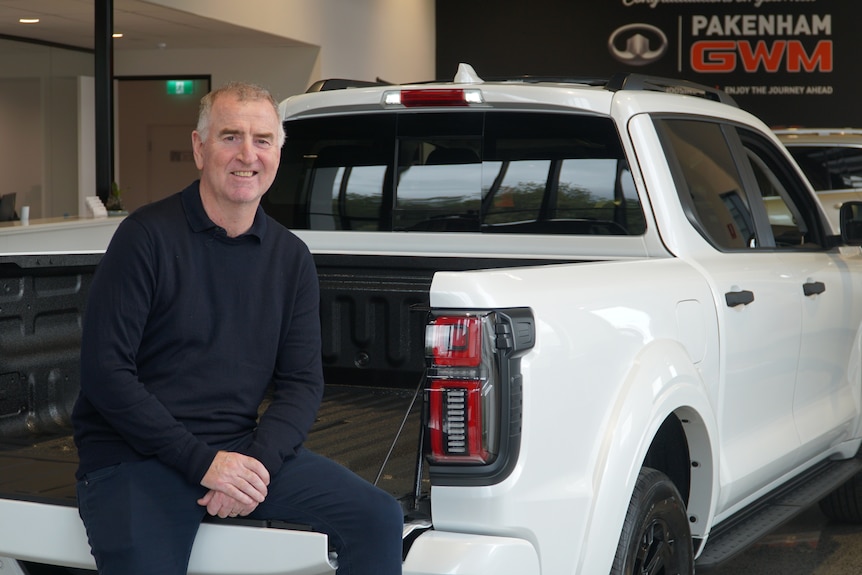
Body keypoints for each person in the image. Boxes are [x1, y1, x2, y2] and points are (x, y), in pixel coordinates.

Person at [71, 82, 404, 575]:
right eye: (230, 137)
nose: (247, 154)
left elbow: (302, 383)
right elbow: (106, 372)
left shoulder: (291, 258)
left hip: (240, 449)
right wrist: (204, 464)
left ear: (278, 153)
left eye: (263, 140)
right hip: (133, 456)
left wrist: (255, 469)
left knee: (378, 517)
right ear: (199, 148)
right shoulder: (144, 238)